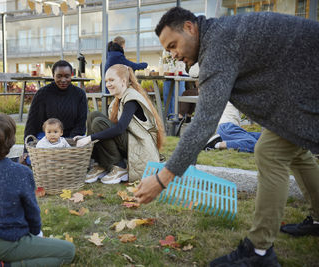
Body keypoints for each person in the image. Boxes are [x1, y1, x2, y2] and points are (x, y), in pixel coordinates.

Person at [134, 7, 319, 266]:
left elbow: (204, 123)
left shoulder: (218, 48)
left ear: (190, 27)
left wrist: (163, 178)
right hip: (303, 84)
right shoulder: (221, 35)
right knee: (295, 150)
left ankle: (259, 252)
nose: (174, 55)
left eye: (173, 45)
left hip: (310, 82)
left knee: (270, 151)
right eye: (168, 50)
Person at [0, 113, 75, 267]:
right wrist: (36, 235)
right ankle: (2, 265)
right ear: (11, 141)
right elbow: (32, 211)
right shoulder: (22, 173)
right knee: (68, 251)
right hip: (7, 242)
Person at [76, 64, 165, 185]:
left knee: (99, 123)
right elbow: (109, 131)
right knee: (93, 115)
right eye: (106, 81)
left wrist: (89, 138)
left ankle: (119, 167)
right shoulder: (117, 101)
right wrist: (85, 138)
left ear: (123, 81)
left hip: (139, 147)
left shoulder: (131, 99)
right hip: (129, 142)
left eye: (112, 80)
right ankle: (99, 164)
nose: (108, 84)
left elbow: (119, 129)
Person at [22, 60, 87, 164]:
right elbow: (32, 123)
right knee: (32, 159)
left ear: (72, 75)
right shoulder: (42, 93)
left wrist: (66, 144)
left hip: (72, 137)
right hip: (47, 136)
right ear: (53, 75)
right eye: (59, 76)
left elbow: (81, 124)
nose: (63, 80)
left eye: (67, 76)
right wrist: (26, 150)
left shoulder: (79, 94)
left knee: (74, 158)